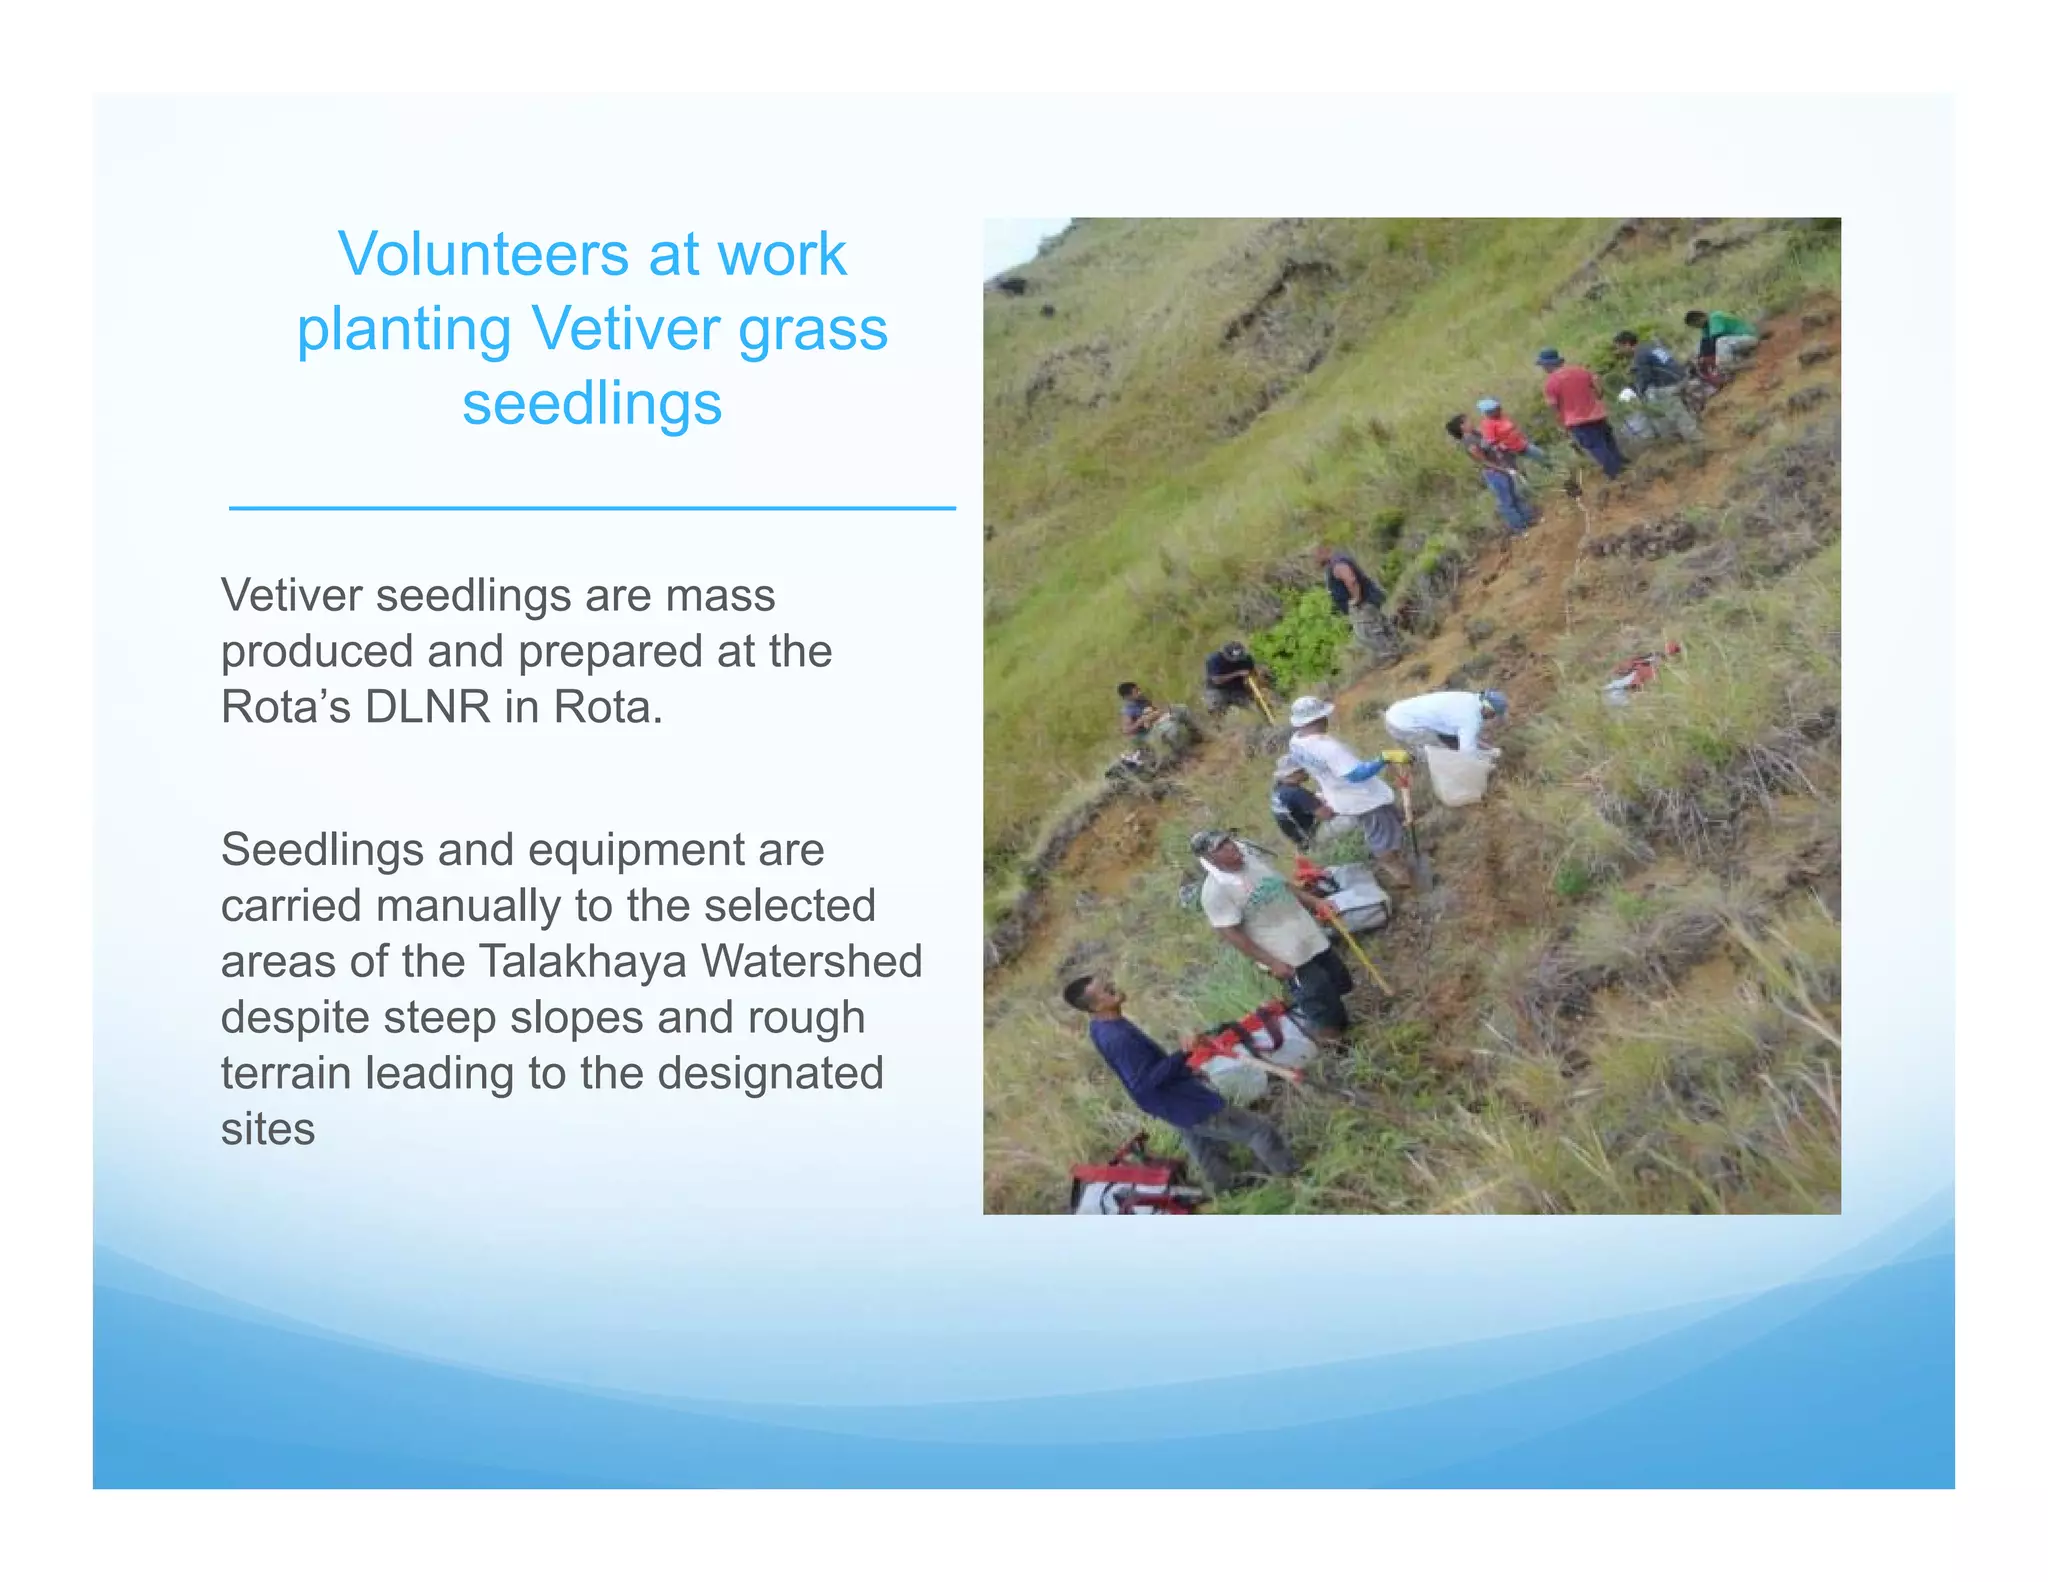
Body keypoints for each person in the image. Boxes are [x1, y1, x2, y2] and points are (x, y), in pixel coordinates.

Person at [1064, 972, 1299, 1194]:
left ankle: (1228, 1186)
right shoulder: (1118, 1038)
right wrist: (1185, 1053)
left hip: (1165, 1102)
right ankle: (1293, 1178)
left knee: (1201, 1142)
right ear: (1095, 1007)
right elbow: (1144, 1082)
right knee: (1259, 1131)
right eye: (1106, 990)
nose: (1113, 987)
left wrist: (1183, 1069)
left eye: (1108, 983)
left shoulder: (1100, 1026)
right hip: (1180, 1099)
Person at [1192, 829, 1358, 1041]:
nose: (1230, 846)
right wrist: (1272, 963)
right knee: (1317, 997)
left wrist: (1316, 902)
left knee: (1337, 980)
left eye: (1228, 840)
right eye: (1221, 847)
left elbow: (1283, 885)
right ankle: (1336, 1044)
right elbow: (1231, 933)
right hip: (1284, 953)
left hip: (1307, 933)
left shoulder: (1251, 860)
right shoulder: (1215, 892)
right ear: (1209, 858)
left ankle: (1346, 1023)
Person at [1285, 696, 1415, 888]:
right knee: (1380, 835)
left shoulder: (1296, 742)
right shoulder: (1326, 747)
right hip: (1362, 799)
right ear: (1319, 719)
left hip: (1339, 795)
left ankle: (1401, 851)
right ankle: (1398, 871)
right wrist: (1384, 758)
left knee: (1390, 822)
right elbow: (1356, 774)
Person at [1536, 348, 1626, 480]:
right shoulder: (1581, 370)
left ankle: (1615, 475)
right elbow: (1599, 391)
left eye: (1543, 365)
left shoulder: (1550, 383)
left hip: (1577, 421)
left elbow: (1554, 407)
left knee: (1597, 447)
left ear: (1547, 365)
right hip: (1597, 414)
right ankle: (1623, 466)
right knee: (1608, 441)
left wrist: (1562, 425)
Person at [1447, 413, 1536, 535]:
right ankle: (1520, 528)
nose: (1471, 422)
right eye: (1467, 421)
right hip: (1495, 473)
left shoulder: (1476, 434)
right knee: (1507, 502)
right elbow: (1484, 462)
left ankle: (1528, 520)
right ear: (1462, 426)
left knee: (1515, 496)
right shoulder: (1469, 442)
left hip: (1501, 468)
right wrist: (1505, 470)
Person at [1612, 331, 1703, 443]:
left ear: (1626, 344)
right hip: (1681, 377)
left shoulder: (1639, 355)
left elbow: (1645, 378)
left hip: (1671, 384)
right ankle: (1679, 430)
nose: (1619, 351)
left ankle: (1687, 437)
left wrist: (1640, 393)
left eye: (1619, 347)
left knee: (1651, 400)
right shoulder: (1649, 346)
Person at [1315, 545, 1398, 660]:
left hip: (1363, 603)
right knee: (1378, 626)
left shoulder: (1337, 563)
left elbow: (1351, 580)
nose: (1315, 560)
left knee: (1368, 632)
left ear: (1323, 552)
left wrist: (1356, 599)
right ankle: (1397, 647)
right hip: (1367, 600)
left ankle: (1390, 654)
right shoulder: (1337, 561)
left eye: (1315, 556)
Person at [1383, 688, 1507, 754]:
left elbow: (1458, 736)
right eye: (1493, 714)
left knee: (1443, 746)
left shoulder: (1469, 699)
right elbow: (1467, 752)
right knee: (1438, 756)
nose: (1492, 718)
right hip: (1404, 725)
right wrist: (1487, 761)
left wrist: (1489, 749)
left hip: (1395, 714)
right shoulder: (1471, 718)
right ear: (1488, 709)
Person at [1270, 758, 1329, 851]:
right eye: (1303, 769)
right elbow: (1326, 814)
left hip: (1299, 839)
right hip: (1312, 837)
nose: (1307, 771)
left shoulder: (1279, 788)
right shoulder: (1296, 793)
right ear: (1293, 773)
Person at [1683, 308, 1761, 377]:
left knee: (1721, 342)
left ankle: (1728, 367)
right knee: (1701, 347)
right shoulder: (1705, 328)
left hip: (1748, 338)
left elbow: (1715, 339)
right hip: (1737, 343)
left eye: (1695, 324)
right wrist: (1699, 359)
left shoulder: (1715, 317)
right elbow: (1705, 346)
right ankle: (1739, 364)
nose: (1696, 327)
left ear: (1699, 318)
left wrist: (1705, 358)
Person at [1476, 397, 1547, 467]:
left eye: (1499, 407)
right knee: (1524, 468)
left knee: (1542, 456)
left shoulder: (1502, 416)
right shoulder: (1487, 425)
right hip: (1511, 453)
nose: (1500, 409)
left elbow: (1513, 427)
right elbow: (1492, 442)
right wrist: (1506, 449)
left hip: (1522, 444)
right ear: (1489, 412)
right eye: (1497, 408)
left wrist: (1522, 437)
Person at [1202, 641, 1263, 713]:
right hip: (1217, 689)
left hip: (1238, 689)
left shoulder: (1246, 659)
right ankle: (1217, 722)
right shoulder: (1214, 660)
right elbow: (1216, 680)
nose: (1236, 660)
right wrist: (1238, 673)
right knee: (1216, 710)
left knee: (1255, 707)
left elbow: (1253, 672)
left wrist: (1258, 679)